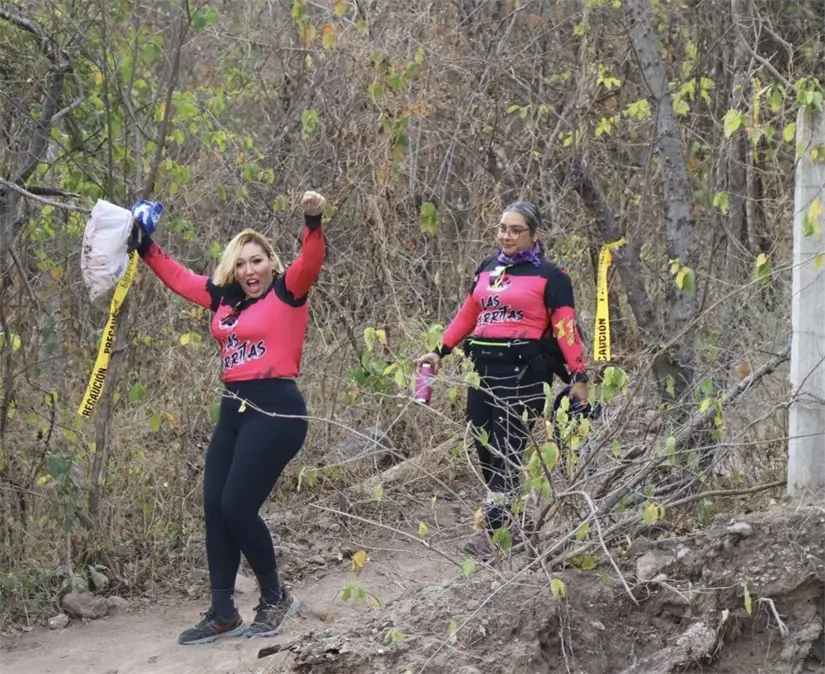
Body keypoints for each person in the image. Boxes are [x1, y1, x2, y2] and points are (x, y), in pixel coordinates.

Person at [131, 191, 327, 645]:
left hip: (276, 408)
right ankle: (222, 612)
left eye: (256, 261)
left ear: (271, 264)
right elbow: (179, 279)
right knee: (216, 511)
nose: (249, 271)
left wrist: (312, 219)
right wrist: (145, 246)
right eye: (241, 264)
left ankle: (276, 597)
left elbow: (311, 259)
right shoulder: (224, 299)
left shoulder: (288, 290)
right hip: (234, 408)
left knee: (238, 506)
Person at [415, 201, 589, 559]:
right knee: (483, 443)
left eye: (515, 230)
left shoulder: (552, 275)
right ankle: (515, 520)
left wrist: (579, 376)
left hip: (524, 370)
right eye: (502, 228)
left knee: (507, 449)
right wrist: (439, 350)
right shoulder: (488, 268)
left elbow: (566, 327)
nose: (506, 236)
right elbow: (469, 313)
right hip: (482, 369)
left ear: (534, 234)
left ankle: (493, 533)